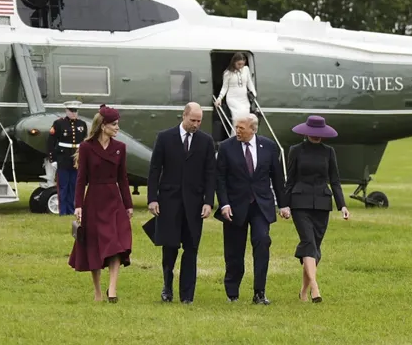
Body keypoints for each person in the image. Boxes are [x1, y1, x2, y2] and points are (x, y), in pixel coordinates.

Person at [147, 102, 216, 304]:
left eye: (199, 121)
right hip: (169, 202)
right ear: (184, 116)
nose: (196, 124)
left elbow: (210, 173)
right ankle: (167, 287)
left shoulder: (206, 141)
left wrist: (208, 201)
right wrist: (152, 198)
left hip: (194, 204)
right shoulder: (165, 137)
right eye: (193, 120)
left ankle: (187, 295)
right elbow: (155, 169)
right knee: (170, 247)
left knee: (191, 248)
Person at [215, 113, 288, 305]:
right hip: (234, 207)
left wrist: (283, 204)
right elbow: (220, 178)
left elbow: (277, 178)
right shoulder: (226, 147)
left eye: (241, 128)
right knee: (234, 251)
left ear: (253, 129)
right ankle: (232, 293)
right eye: (236, 127)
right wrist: (224, 204)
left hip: (260, 205)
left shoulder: (269, 147)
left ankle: (259, 292)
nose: (237, 131)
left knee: (262, 242)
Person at [68, 104, 134, 303]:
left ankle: (112, 290)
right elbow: (81, 179)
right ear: (103, 125)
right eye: (114, 124)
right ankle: (98, 292)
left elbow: (123, 178)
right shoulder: (86, 147)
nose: (117, 128)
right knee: (94, 246)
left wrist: (128, 205)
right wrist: (78, 205)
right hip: (94, 200)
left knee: (116, 244)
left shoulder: (120, 148)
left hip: (114, 200)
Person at [283, 115, 350, 303]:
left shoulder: (329, 152)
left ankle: (303, 292)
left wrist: (342, 205)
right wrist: (285, 204)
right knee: (308, 242)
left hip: (322, 204)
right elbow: (290, 180)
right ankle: (315, 287)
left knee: (314, 247)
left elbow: (335, 180)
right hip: (300, 203)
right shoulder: (295, 150)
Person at [46, 101, 87, 216]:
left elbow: (85, 142)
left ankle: (72, 209)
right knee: (63, 186)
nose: (74, 113)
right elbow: (51, 142)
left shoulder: (82, 124)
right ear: (66, 111)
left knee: (74, 185)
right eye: (71, 111)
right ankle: (63, 211)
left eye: (75, 111)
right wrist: (53, 159)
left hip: (77, 158)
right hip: (63, 158)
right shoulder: (59, 124)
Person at [215, 53, 257, 123]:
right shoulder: (227, 73)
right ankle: (235, 130)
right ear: (234, 62)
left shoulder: (246, 69)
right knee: (237, 117)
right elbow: (224, 87)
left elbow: (249, 83)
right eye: (239, 64)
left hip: (244, 98)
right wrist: (219, 98)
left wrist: (254, 94)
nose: (241, 66)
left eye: (242, 64)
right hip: (233, 98)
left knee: (246, 116)